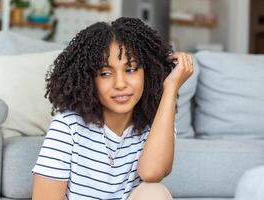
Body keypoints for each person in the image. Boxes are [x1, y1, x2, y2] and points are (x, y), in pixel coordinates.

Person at [31, 17, 193, 200]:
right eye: (106, 73)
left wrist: (170, 88)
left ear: (148, 72)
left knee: (154, 192)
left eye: (131, 69)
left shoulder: (158, 123)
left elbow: (152, 173)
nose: (120, 84)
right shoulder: (67, 127)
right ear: (89, 79)